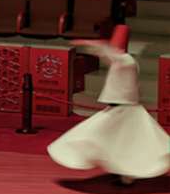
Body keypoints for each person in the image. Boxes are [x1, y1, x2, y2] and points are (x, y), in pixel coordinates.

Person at [48, 26, 169, 185]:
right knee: (121, 141)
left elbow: (109, 54)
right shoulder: (126, 60)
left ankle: (127, 175)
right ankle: (125, 174)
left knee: (114, 139)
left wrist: (93, 44)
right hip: (123, 108)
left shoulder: (125, 60)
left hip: (124, 109)